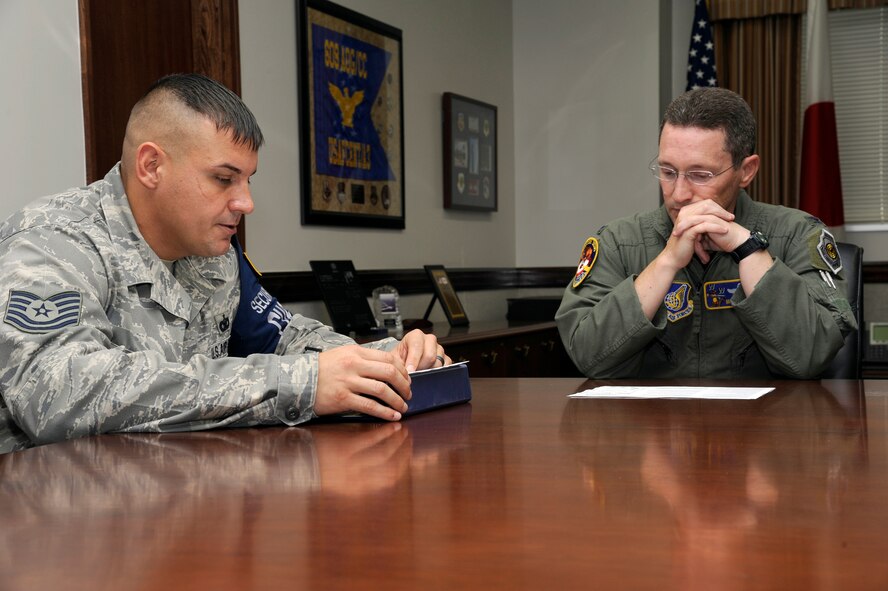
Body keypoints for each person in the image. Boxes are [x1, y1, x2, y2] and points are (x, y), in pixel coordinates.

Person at [0, 73, 451, 452]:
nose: (246, 202)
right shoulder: (53, 241)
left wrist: (385, 361)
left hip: (191, 504)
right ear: (151, 166)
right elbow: (56, 395)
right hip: (65, 526)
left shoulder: (212, 250)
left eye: (248, 179)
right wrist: (301, 383)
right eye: (223, 178)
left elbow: (283, 337)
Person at [556, 87, 856, 379]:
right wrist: (666, 262)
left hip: (764, 423)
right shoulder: (619, 242)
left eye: (701, 175)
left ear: (747, 171)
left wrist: (748, 248)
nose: (679, 193)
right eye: (668, 171)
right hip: (651, 426)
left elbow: (812, 356)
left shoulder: (796, 234)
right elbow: (587, 356)